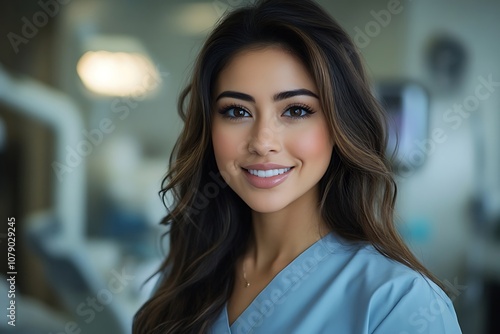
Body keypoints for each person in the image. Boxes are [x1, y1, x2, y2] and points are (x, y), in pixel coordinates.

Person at [133, 0, 462, 333]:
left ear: (339, 124)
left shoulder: (401, 304)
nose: (262, 142)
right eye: (236, 111)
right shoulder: (185, 278)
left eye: (296, 111)